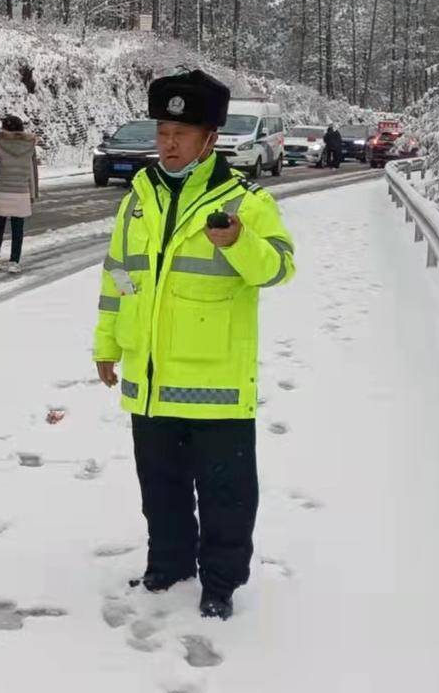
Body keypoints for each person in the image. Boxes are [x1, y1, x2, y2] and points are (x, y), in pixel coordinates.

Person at [91, 69, 296, 620]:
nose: (169, 143)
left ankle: (221, 582)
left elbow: (278, 269)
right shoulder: (138, 198)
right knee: (161, 486)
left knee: (227, 494)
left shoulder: (245, 201)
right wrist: (106, 345)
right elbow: (119, 275)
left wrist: (239, 242)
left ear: (211, 138)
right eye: (163, 131)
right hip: (150, 375)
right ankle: (170, 563)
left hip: (216, 380)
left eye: (182, 132)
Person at [0, 115, 40, 274]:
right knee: (18, 230)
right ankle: (14, 262)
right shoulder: (30, 145)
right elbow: (32, 170)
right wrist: (33, 193)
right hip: (21, 192)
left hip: (1, 191)